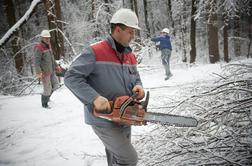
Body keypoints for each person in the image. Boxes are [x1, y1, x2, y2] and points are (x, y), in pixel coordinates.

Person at [64, 8, 145, 166]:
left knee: (117, 158)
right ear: (117, 29)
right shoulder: (95, 52)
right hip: (103, 119)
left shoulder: (130, 55)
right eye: (130, 32)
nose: (133, 36)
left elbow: (136, 77)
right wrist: (94, 98)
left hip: (125, 114)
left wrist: (138, 86)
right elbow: (71, 77)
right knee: (128, 158)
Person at [34, 30, 60, 108]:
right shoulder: (39, 48)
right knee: (47, 89)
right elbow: (36, 62)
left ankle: (47, 98)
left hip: (51, 70)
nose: (47, 39)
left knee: (56, 85)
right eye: (45, 38)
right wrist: (39, 72)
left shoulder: (48, 46)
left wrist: (56, 66)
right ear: (42, 38)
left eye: (48, 38)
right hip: (45, 72)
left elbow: (52, 58)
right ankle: (44, 104)